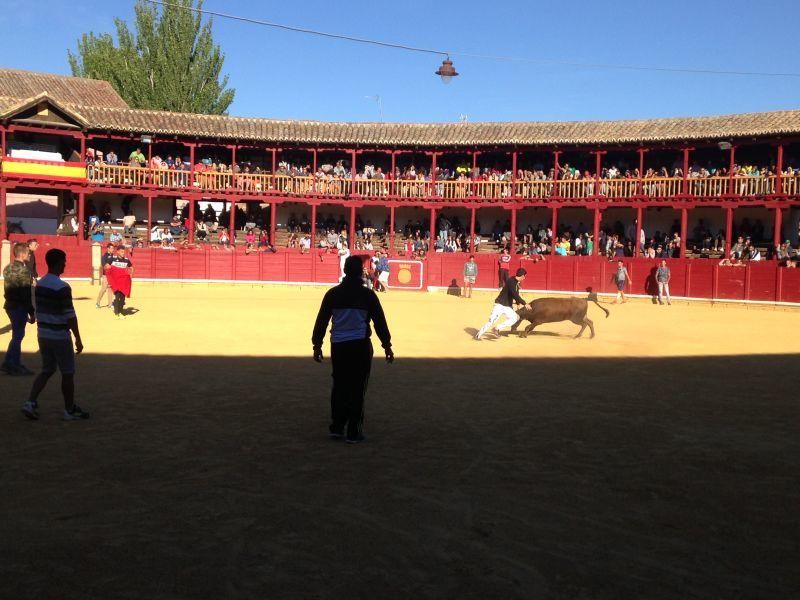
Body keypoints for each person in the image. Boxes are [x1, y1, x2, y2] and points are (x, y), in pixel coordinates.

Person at [312, 255, 393, 444]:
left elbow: (322, 321)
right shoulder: (368, 295)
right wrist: (387, 345)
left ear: (345, 271)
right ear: (360, 273)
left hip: (339, 346)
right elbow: (380, 322)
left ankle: (337, 427)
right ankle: (353, 432)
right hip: (360, 346)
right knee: (357, 388)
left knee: (339, 386)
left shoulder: (333, 294)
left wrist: (317, 344)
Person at [21, 249, 89, 421]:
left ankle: (30, 402)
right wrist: (78, 339)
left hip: (43, 333)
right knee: (67, 372)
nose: (65, 264)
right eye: (64, 261)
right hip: (59, 335)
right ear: (58, 263)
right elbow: (70, 316)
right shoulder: (62, 287)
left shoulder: (40, 284)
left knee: (47, 369)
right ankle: (69, 409)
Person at [2, 243, 35, 375]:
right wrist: (31, 312)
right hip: (19, 306)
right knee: (18, 335)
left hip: (9, 305)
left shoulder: (7, 268)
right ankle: (13, 364)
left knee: (17, 334)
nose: (29, 254)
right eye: (28, 252)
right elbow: (25, 294)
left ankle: (9, 362)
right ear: (21, 254)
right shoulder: (24, 270)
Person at [475, 268, 531, 340]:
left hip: (507, 306)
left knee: (515, 317)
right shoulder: (511, 282)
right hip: (499, 305)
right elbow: (515, 294)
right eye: (525, 276)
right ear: (522, 276)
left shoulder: (515, 283)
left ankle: (497, 328)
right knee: (491, 321)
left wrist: (518, 303)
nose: (524, 278)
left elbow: (515, 294)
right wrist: (524, 303)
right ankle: (478, 335)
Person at [105, 246, 134, 319]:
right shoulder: (112, 258)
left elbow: (131, 267)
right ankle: (117, 313)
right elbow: (106, 266)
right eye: (121, 252)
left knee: (123, 299)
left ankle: (120, 311)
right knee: (117, 297)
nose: (123, 253)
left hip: (123, 283)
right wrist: (108, 267)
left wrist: (130, 273)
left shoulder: (126, 260)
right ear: (117, 252)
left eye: (123, 252)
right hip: (115, 283)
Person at [96, 243, 116, 308]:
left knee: (110, 289)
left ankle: (110, 304)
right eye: (111, 248)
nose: (113, 249)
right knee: (104, 289)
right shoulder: (104, 256)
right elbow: (104, 265)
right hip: (105, 275)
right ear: (108, 248)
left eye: (113, 248)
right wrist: (110, 266)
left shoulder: (113, 256)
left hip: (111, 275)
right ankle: (98, 302)